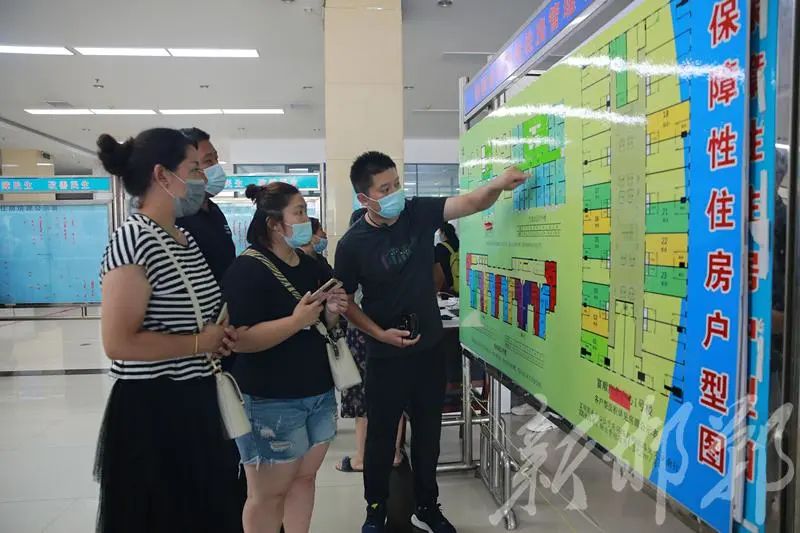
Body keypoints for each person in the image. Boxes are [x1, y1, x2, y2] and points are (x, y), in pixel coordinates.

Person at [334, 151, 526, 533]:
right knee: (380, 439)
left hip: (429, 350)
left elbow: (471, 202)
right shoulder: (352, 245)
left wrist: (499, 183)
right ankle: (375, 509)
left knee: (428, 437)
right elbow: (345, 303)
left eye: (396, 184)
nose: (395, 193)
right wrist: (379, 333)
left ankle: (427, 505)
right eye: (384, 189)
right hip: (385, 355)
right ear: (364, 198)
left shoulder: (417, 212)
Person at [93, 128, 243, 533]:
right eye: (194, 169)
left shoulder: (184, 238)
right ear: (162, 175)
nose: (202, 178)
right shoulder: (133, 240)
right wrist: (198, 342)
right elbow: (118, 342)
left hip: (197, 398)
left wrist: (217, 337)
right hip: (154, 409)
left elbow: (197, 317)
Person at [223, 182, 348, 533]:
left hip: (318, 393)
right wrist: (295, 322)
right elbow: (239, 340)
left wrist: (332, 311)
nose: (306, 219)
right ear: (274, 224)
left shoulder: (311, 265)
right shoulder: (247, 270)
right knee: (267, 495)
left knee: (304, 479)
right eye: (299, 212)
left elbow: (323, 324)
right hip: (270, 401)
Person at [337, 208, 405, 474]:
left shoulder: (352, 255)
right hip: (393, 332)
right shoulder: (393, 258)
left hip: (362, 335)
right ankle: (394, 453)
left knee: (364, 399)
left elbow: (348, 304)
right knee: (394, 395)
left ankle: (362, 458)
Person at [175, 127, 236, 286]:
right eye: (208, 161)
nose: (217, 166)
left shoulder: (214, 210)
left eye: (216, 159)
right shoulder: (175, 217)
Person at [433, 222, 459, 294]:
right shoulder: (459, 244)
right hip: (461, 281)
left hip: (449, 284)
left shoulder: (440, 247)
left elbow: (441, 268)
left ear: (443, 233)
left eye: (439, 233)